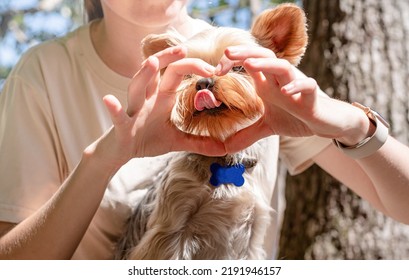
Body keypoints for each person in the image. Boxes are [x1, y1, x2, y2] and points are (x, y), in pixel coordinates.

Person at [0, 0, 408, 260]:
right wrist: (105, 158)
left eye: (234, 71)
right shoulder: (44, 75)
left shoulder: (259, 70)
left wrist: (355, 124)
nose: (215, 80)